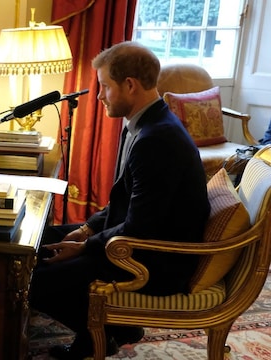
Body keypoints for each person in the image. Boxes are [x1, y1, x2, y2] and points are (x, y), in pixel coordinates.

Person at [28, 41, 210, 359]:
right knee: (37, 240)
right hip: (138, 239)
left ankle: (102, 335)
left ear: (129, 85)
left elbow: (140, 227)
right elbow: (125, 201)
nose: (99, 96)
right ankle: (111, 330)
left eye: (104, 87)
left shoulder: (157, 139)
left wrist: (87, 246)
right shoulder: (144, 124)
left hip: (155, 260)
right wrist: (86, 230)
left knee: (33, 282)